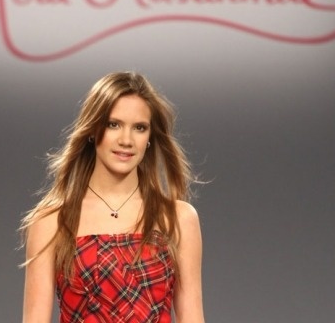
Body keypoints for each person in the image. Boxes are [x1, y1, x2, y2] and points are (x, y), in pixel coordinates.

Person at [20, 71, 205, 323]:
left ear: (149, 138)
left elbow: (192, 317)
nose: (126, 140)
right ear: (92, 129)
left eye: (139, 128)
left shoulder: (178, 218)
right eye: (113, 124)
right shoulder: (51, 222)